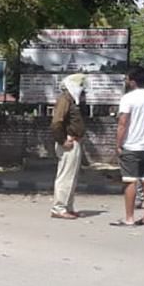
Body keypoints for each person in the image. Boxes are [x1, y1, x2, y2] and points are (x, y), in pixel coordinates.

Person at [112, 66, 144, 227]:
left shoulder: (128, 98)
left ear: (132, 81)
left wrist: (118, 144)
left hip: (131, 145)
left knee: (130, 181)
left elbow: (123, 122)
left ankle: (129, 217)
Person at [49, 74, 86, 219]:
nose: (82, 89)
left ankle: (68, 207)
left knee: (72, 178)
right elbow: (56, 122)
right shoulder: (64, 99)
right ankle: (59, 208)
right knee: (65, 176)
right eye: (80, 86)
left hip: (74, 141)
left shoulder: (72, 100)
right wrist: (62, 140)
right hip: (68, 143)